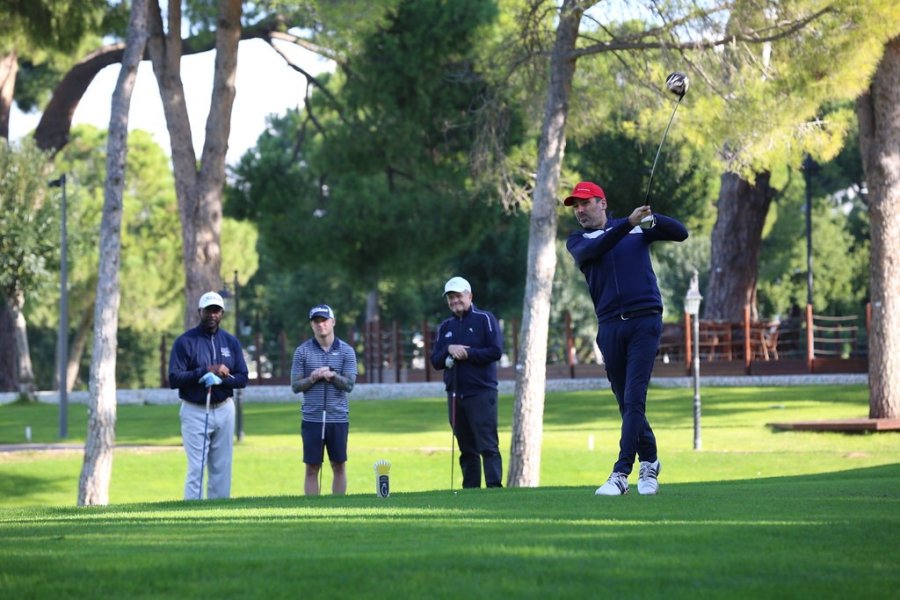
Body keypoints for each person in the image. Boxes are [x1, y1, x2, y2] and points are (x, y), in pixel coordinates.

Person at [564, 181, 688, 496]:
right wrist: (628, 224)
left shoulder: (635, 229)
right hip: (609, 327)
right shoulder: (578, 241)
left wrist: (652, 219)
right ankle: (650, 462)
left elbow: (681, 233)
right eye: (576, 206)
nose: (580, 210)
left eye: (585, 203)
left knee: (634, 399)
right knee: (626, 402)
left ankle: (621, 473)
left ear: (602, 203)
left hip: (645, 320)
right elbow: (598, 248)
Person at [169, 291, 249, 500]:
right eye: (208, 310)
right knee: (196, 466)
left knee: (222, 465)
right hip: (194, 410)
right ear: (200, 312)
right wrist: (204, 371)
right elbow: (174, 379)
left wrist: (223, 379)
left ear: (222, 313)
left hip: (224, 408)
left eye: (216, 310)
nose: (212, 314)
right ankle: (192, 510)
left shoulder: (231, 342)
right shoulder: (185, 342)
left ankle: (218, 508)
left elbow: (242, 378)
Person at [430, 276, 504, 488]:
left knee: (488, 446)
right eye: (450, 298)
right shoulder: (446, 327)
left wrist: (468, 354)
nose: (454, 301)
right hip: (455, 394)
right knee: (466, 449)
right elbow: (435, 361)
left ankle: (494, 490)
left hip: (481, 392)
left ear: (469, 296)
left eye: (458, 296)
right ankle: (471, 492)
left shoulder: (485, 319)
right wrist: (449, 348)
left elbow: (496, 351)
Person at [291, 304, 358, 495]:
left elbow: (349, 385)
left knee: (339, 465)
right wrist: (313, 378)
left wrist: (332, 376)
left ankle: (337, 507)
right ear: (312, 325)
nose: (321, 325)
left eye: (324, 320)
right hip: (312, 418)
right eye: (316, 321)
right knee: (312, 468)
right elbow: (295, 386)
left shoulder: (346, 351)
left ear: (333, 322)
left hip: (338, 417)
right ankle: (313, 508)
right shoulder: (302, 351)